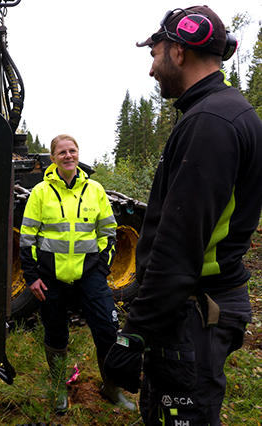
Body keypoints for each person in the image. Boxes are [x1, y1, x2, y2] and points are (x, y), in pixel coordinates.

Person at [104, 5, 262, 426]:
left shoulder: (210, 121)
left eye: (154, 55)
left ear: (178, 52)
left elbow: (179, 243)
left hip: (195, 309)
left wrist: (134, 332)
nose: (152, 70)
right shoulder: (226, 111)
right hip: (198, 306)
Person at [19, 134, 136, 414]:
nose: (68, 156)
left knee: (107, 330)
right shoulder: (40, 192)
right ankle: (59, 388)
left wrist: (102, 268)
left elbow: (108, 232)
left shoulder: (94, 189)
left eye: (72, 151)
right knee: (56, 333)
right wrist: (31, 276)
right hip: (50, 275)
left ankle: (112, 387)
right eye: (62, 152)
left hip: (90, 274)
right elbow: (27, 237)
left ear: (78, 153)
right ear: (53, 157)